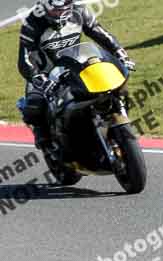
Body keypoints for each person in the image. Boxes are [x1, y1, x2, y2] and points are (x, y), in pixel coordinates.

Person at [17, 0, 135, 152]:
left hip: (75, 67)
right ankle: (48, 144)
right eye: (54, 11)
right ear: (44, 8)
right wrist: (38, 78)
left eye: (63, 10)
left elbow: (99, 33)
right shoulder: (32, 23)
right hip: (45, 74)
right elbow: (24, 60)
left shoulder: (79, 12)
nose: (59, 14)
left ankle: (108, 121)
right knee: (34, 105)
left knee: (106, 86)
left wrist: (120, 53)